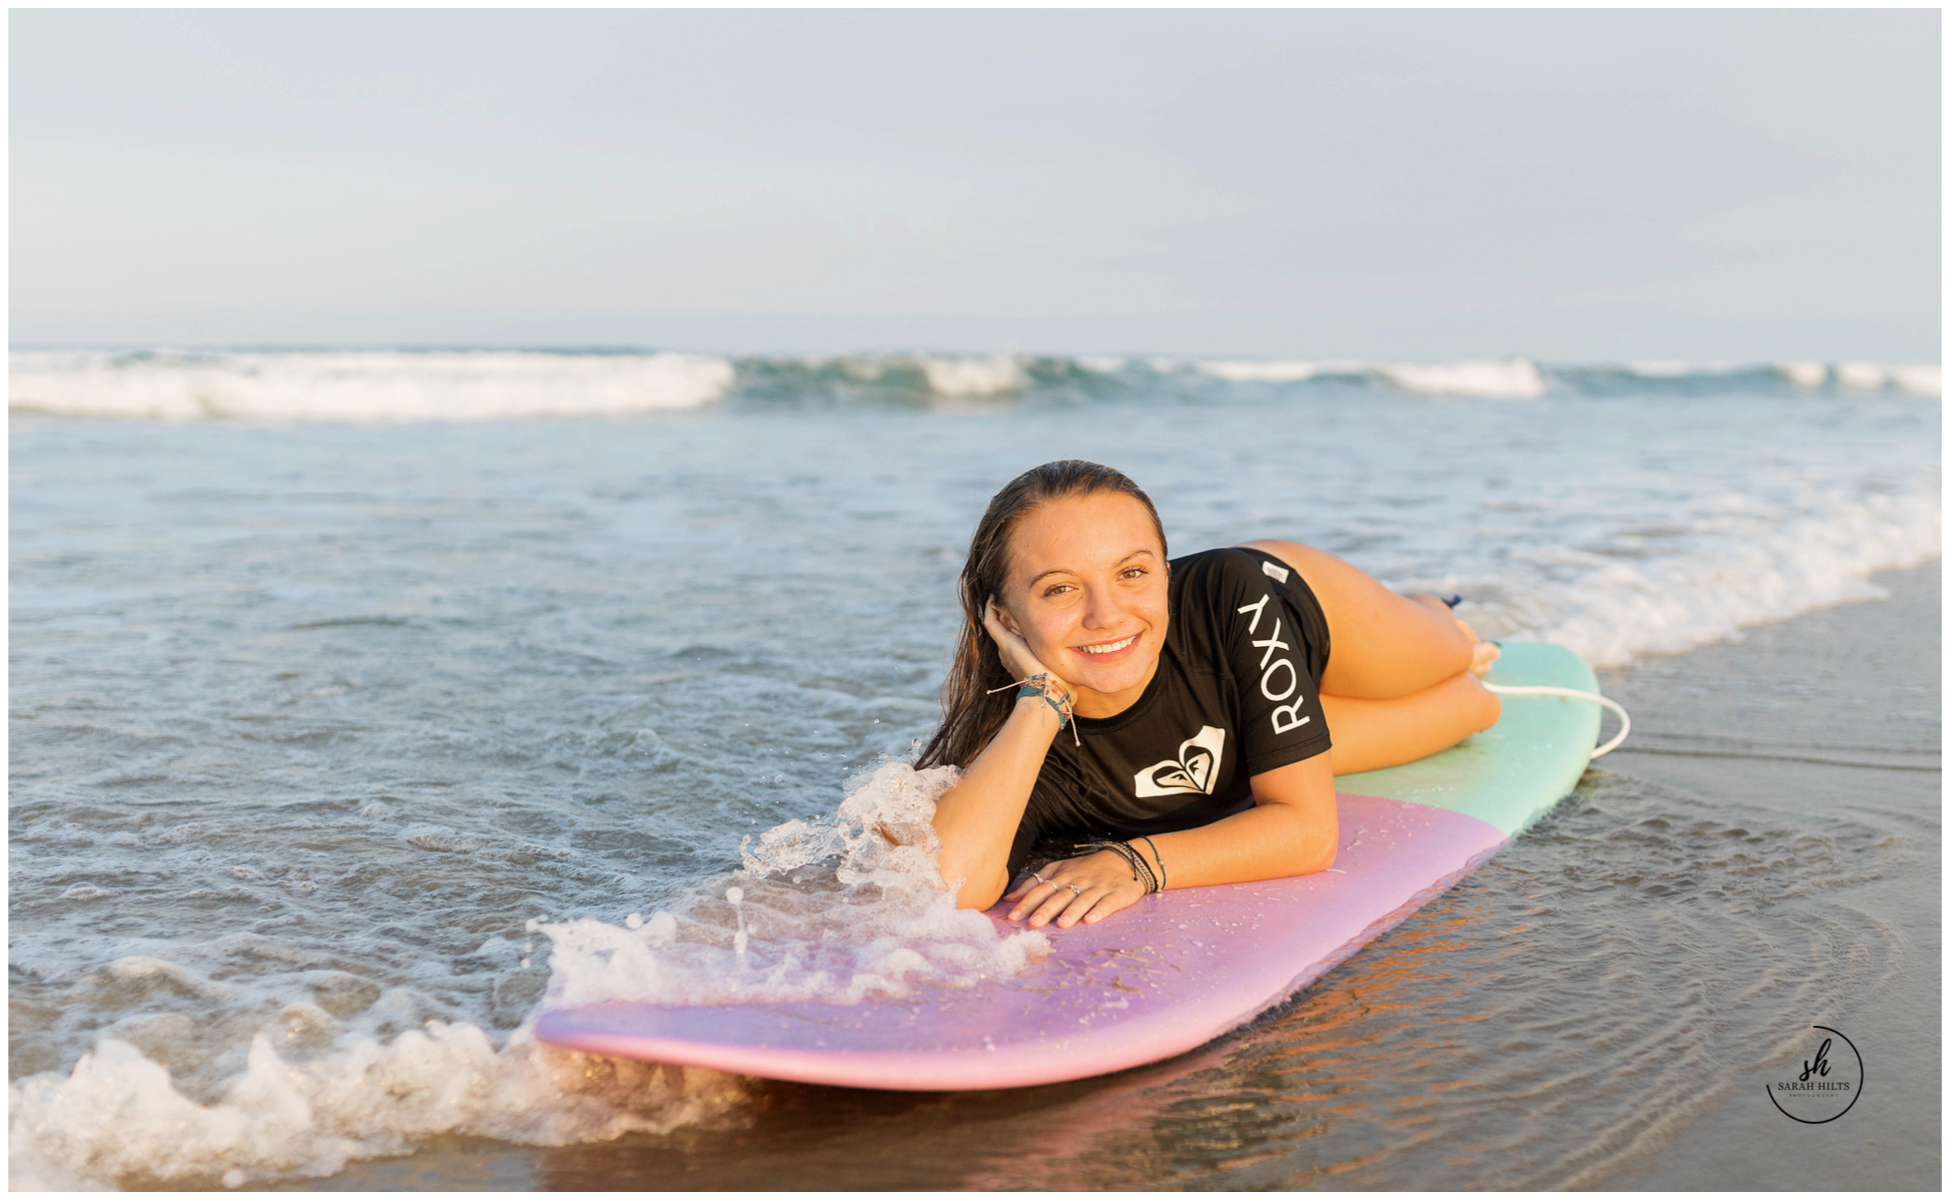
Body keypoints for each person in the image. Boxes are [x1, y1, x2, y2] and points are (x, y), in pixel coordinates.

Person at [921, 460, 1502, 931]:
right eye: (1061, 589)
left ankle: (1431, 607)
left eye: (1133, 573)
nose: (1108, 615)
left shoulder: (1231, 592)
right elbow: (952, 883)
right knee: (1477, 706)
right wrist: (1042, 700)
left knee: (1452, 653)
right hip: (1232, 720)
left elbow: (1309, 832)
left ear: (1167, 573)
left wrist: (1139, 863)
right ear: (1006, 620)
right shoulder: (1014, 750)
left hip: (1309, 616)